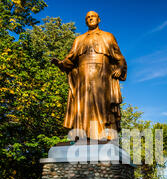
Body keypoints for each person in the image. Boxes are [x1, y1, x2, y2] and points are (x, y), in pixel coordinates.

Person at [51, 11, 127, 141]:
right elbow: (71, 59)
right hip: (83, 76)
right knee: (83, 104)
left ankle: (102, 133)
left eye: (93, 16)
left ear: (99, 19)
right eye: (88, 17)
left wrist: (120, 68)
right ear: (86, 21)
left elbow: (119, 56)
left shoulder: (108, 36)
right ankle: (82, 134)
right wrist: (60, 64)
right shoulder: (79, 39)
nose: (90, 18)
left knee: (101, 103)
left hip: (102, 75)